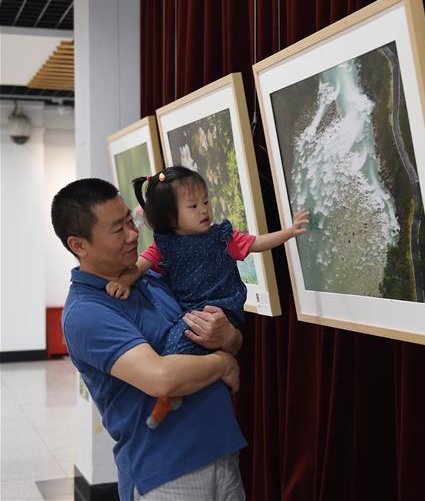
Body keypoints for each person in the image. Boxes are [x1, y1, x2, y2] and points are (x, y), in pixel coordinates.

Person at [52, 178, 245, 500]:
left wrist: (230, 337)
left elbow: (223, 341)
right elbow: (162, 378)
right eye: (117, 230)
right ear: (79, 245)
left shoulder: (151, 277)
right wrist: (224, 361)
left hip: (222, 450)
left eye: (130, 220)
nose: (132, 235)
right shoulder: (86, 313)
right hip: (167, 471)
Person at [106, 165, 309, 429]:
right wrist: (123, 281)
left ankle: (169, 397)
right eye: (193, 206)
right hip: (190, 311)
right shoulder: (164, 245)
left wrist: (289, 232)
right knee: (177, 345)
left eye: (205, 202)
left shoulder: (221, 236)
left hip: (223, 306)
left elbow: (256, 243)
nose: (204, 210)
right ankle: (182, 390)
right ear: (170, 216)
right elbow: (140, 266)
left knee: (181, 343)